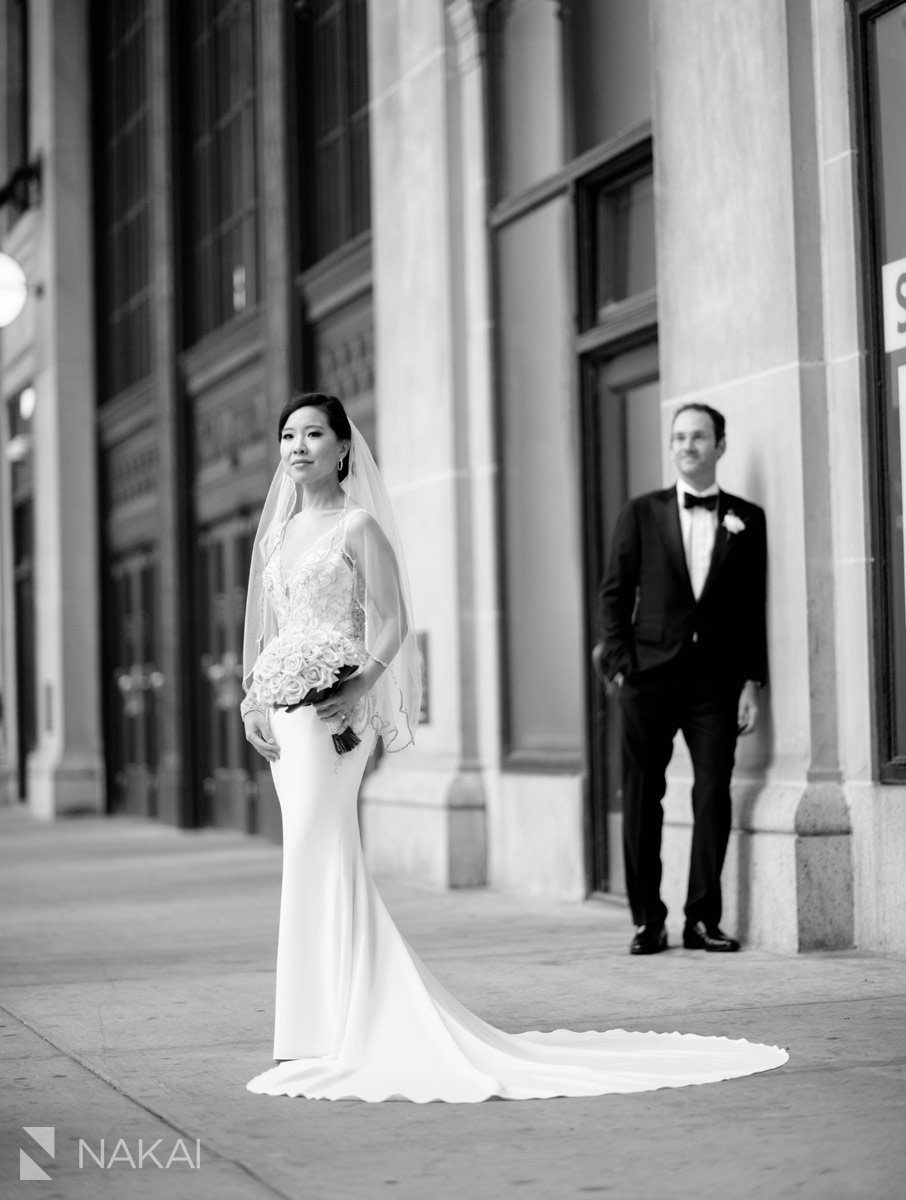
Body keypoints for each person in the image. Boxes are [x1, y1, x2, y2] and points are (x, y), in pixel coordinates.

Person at [240, 392, 785, 1102]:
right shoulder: (277, 535)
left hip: (339, 715)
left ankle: (330, 1023)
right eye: (288, 436)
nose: (298, 447)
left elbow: (393, 620)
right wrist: (256, 697)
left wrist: (358, 685)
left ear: (344, 447)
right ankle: (319, 1022)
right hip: (288, 715)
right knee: (315, 854)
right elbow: (272, 629)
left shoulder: (358, 524)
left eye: (313, 434)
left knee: (319, 847)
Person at [595, 403, 768, 957]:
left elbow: (751, 608)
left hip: (716, 684)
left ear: (720, 445)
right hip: (647, 679)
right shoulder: (640, 513)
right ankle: (648, 920)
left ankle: (702, 920)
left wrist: (750, 683)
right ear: (671, 447)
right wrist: (621, 667)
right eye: (678, 437)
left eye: (698, 437)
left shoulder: (747, 518)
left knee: (713, 794)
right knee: (644, 797)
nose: (687, 445)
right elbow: (614, 595)